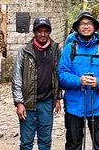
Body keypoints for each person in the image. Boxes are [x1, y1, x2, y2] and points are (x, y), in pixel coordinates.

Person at [58, 11, 99, 150]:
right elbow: (62, 74)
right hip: (74, 106)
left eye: (89, 23)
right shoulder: (69, 49)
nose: (86, 26)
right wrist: (79, 80)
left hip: (98, 105)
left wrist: (98, 82)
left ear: (94, 26)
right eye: (82, 24)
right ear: (77, 27)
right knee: (73, 144)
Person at [12, 16, 62, 150]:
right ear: (34, 32)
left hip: (47, 102)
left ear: (50, 32)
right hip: (28, 103)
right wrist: (19, 102)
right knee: (26, 143)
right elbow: (17, 77)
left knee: (45, 141)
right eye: (39, 31)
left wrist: (57, 98)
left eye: (46, 31)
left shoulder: (55, 50)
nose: (43, 34)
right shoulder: (24, 51)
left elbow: (58, 75)